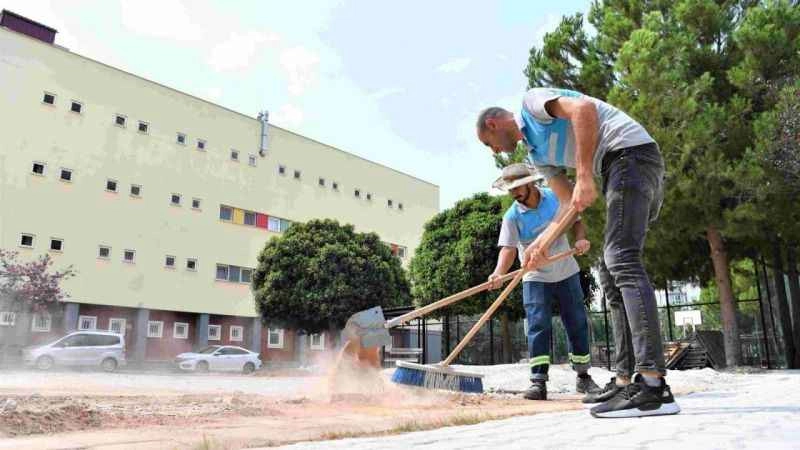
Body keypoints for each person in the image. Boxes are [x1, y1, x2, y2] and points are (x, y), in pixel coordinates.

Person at [476, 87, 680, 418]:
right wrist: (542, 244)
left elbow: (584, 109)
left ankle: (653, 386)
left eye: (489, 143)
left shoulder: (531, 105)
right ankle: (626, 379)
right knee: (610, 275)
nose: (494, 151)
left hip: (631, 154)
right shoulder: (537, 157)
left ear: (494, 123)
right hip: (616, 165)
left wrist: (584, 175)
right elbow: (567, 203)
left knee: (621, 258)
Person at [488, 163, 600, 401]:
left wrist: (580, 240)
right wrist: (498, 273)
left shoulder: (556, 197)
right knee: (538, 325)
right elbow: (508, 249)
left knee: (577, 322)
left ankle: (583, 377)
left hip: (566, 270)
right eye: (510, 189)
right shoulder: (512, 216)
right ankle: (538, 382)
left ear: (530, 183)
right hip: (535, 276)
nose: (514, 193)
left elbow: (576, 220)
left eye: (517, 187)